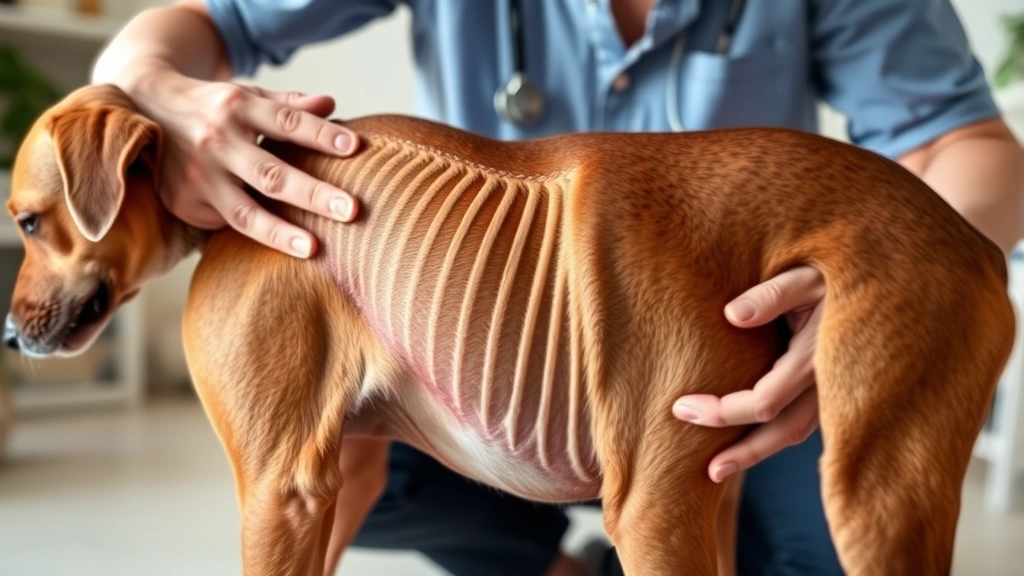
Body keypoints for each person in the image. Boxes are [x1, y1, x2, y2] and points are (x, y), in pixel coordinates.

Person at [92, 1, 1024, 575]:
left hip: (753, 363)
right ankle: (554, 566)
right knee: (321, 458)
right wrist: (144, 85)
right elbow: (208, 21)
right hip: (477, 357)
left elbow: (971, 145)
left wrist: (877, 297)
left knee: (839, 544)